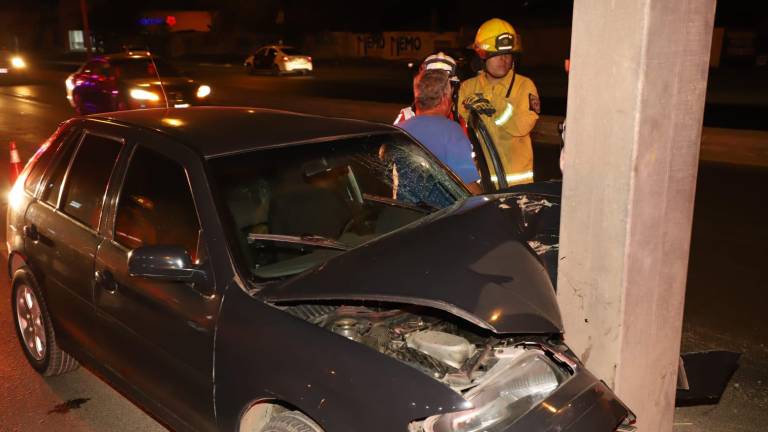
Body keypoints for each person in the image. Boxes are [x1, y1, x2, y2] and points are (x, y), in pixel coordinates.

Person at [458, 18, 540, 186]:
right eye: (497, 55)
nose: (504, 59)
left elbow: (522, 125)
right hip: (480, 184)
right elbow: (461, 132)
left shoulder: (525, 86)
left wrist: (494, 104)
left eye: (508, 54)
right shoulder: (467, 88)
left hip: (515, 186)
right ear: (482, 56)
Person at [396, 65, 482, 194]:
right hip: (442, 212)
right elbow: (468, 186)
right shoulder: (452, 131)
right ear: (445, 97)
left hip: (408, 210)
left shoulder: (401, 128)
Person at [393, 52, 466, 133]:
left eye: (443, 87)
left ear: (453, 90)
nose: (438, 93)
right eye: (433, 87)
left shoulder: (458, 121)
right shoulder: (407, 117)